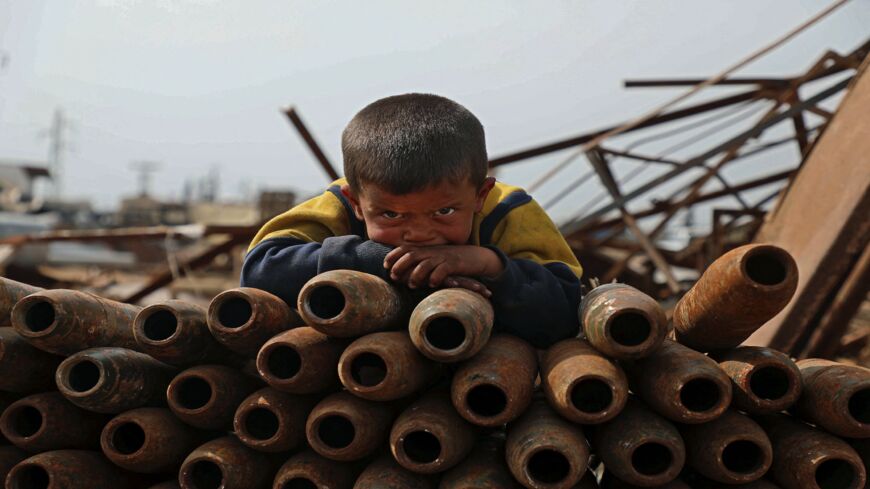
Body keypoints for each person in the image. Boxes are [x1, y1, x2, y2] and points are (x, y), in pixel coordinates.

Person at [241, 93, 582, 348]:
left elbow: (564, 312)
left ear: (479, 195)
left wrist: (487, 264)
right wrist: (379, 262)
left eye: (444, 212)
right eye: (391, 214)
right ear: (356, 202)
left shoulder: (506, 209)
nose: (418, 234)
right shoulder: (338, 206)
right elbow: (260, 270)